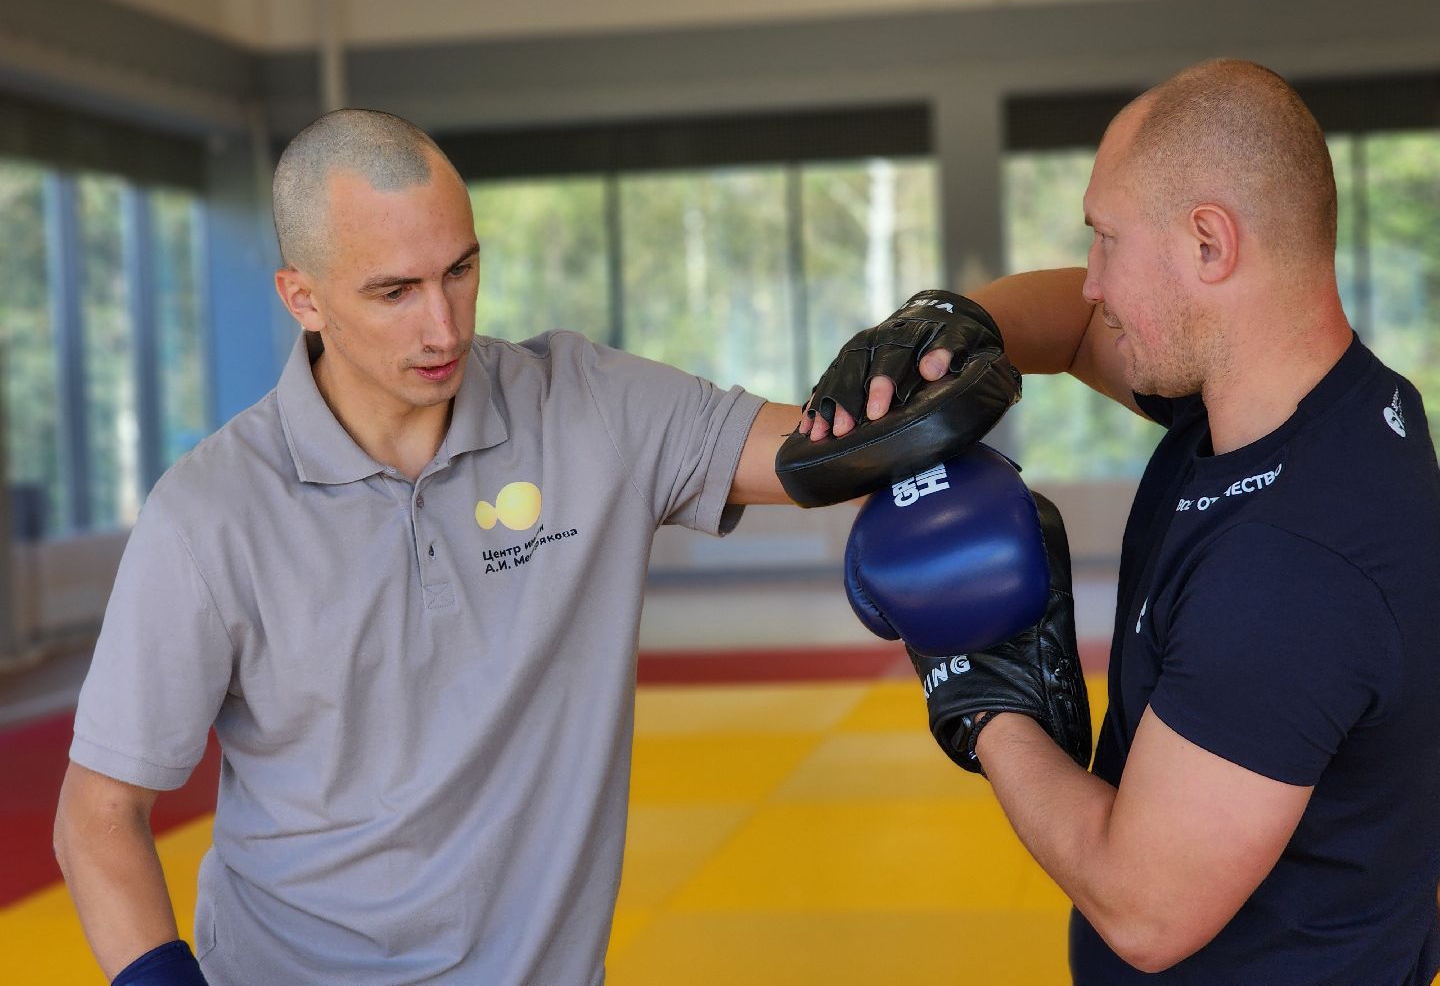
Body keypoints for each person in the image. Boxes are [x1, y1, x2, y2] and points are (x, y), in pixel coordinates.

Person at [52, 110, 805, 985]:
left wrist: (925, 369)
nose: (444, 329)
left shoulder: (589, 406)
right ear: (303, 298)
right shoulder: (209, 513)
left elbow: (828, 456)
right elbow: (97, 815)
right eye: (395, 292)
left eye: (460, 270)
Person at [801, 59, 1440, 982]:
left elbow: (1144, 910)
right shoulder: (1327, 406)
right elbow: (1069, 328)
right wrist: (952, 325)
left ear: (1210, 245)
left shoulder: (1290, 568)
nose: (1093, 282)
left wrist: (980, 689)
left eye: (1107, 239)